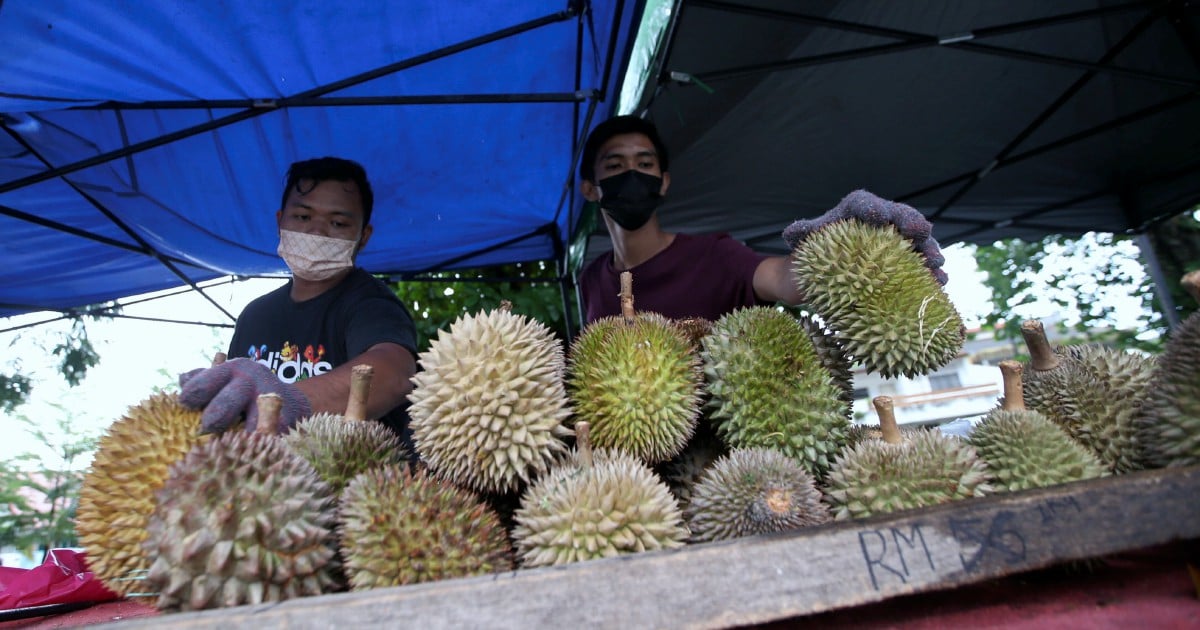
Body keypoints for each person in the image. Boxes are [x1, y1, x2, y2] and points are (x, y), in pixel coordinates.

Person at [577, 115, 946, 323]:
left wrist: (835, 242)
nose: (632, 174)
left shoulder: (712, 256)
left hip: (735, 455)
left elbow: (784, 278)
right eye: (615, 165)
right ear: (590, 189)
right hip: (628, 460)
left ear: (664, 182)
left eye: (645, 164)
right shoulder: (591, 280)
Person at [178, 157, 419, 444]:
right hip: (259, 478)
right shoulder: (255, 315)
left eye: (338, 222)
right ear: (280, 222)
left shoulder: (371, 303)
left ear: (363, 236)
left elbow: (394, 374)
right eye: (303, 217)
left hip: (352, 481)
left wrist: (291, 402)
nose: (317, 232)